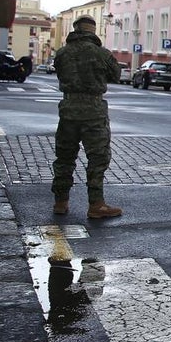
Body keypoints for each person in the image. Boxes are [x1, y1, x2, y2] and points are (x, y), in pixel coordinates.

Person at [51, 16, 123, 219]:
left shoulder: (62, 53)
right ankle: (96, 204)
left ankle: (61, 201)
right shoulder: (101, 53)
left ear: (75, 30)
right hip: (94, 112)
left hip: (68, 111)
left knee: (64, 157)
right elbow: (116, 74)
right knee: (97, 158)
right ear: (92, 31)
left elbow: (60, 73)